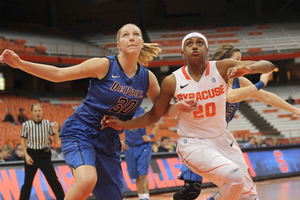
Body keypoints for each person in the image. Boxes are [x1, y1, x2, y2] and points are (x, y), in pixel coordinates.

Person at [101, 32, 275, 200]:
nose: (194, 47)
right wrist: (124, 125)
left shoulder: (221, 67)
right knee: (233, 177)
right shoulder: (173, 81)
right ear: (182, 52)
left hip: (223, 139)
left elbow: (267, 65)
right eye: (189, 43)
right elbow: (155, 115)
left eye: (199, 43)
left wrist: (248, 68)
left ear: (207, 50)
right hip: (193, 143)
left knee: (249, 195)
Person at [0, 23, 165, 200]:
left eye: (136, 34)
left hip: (109, 140)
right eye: (125, 35)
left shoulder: (147, 78)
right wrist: (19, 64)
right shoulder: (104, 65)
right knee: (87, 180)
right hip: (81, 131)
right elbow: (57, 74)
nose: (131, 37)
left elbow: (163, 112)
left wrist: (180, 107)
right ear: (118, 45)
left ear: (142, 43)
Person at [19, 103, 65, 200]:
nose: (37, 113)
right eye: (35, 111)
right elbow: (23, 140)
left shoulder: (47, 124)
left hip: (44, 155)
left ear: (42, 112)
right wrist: (26, 156)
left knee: (53, 181)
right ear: (31, 113)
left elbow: (56, 140)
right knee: (27, 183)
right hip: (31, 155)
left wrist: (56, 130)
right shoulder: (27, 124)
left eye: (39, 111)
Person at [122, 106, 159, 200]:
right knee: (136, 176)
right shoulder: (123, 112)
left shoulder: (144, 111)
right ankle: (141, 197)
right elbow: (113, 126)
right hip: (129, 148)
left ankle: (146, 197)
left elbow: (156, 124)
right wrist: (119, 141)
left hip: (143, 146)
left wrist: (150, 136)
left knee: (143, 174)